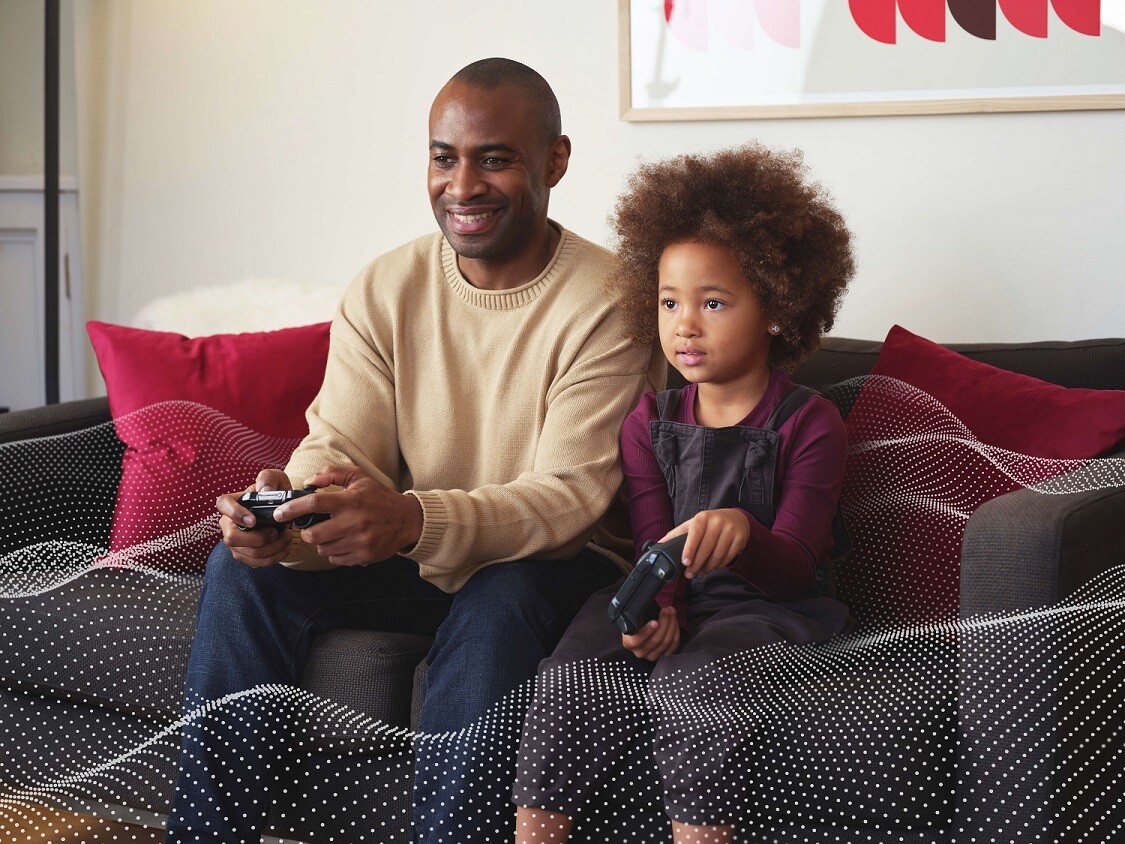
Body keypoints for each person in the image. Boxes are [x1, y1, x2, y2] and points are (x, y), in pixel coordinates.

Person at [163, 58, 663, 844]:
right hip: (421, 544)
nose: (461, 185)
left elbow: (567, 500)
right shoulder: (384, 287)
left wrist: (408, 521)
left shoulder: (614, 301)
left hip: (556, 566)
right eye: (443, 156)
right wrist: (287, 507)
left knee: (501, 598)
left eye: (493, 158)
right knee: (240, 570)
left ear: (554, 160)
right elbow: (338, 442)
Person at [511, 143, 857, 842]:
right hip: (672, 590)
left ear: (778, 310)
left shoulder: (808, 422)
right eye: (669, 301)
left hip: (765, 610)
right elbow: (650, 539)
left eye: (713, 302)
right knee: (567, 677)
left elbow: (793, 563)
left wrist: (745, 535)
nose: (684, 324)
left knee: (690, 687)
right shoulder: (648, 420)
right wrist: (656, 607)